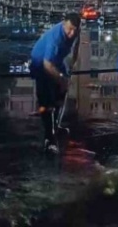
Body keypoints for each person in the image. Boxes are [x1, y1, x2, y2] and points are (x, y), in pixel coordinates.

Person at [30, 13, 81, 154]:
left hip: (57, 61)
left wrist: (72, 64)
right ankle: (49, 138)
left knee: (61, 93)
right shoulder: (55, 38)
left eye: (74, 31)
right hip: (41, 62)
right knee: (47, 99)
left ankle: (56, 125)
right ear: (64, 24)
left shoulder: (76, 31)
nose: (71, 34)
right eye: (69, 29)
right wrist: (62, 79)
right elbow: (47, 65)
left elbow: (76, 46)